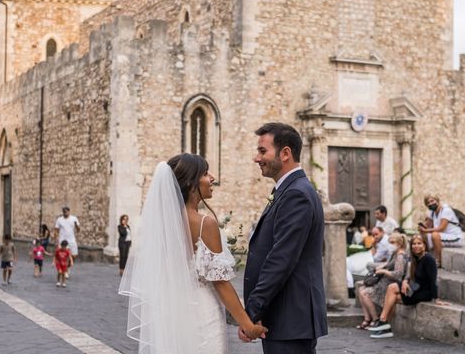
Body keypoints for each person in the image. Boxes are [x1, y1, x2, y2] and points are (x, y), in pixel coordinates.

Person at [119, 155, 266, 353]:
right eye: (205, 173)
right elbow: (220, 282)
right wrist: (248, 325)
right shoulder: (205, 223)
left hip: (173, 313)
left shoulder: (162, 224)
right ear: (190, 182)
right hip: (202, 313)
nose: (212, 177)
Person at [242, 122, 327, 353]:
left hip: (290, 317)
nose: (256, 158)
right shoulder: (290, 190)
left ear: (286, 153)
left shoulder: (296, 194)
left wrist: (251, 312)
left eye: (262, 151)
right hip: (286, 318)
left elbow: (281, 259)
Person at [368, 234, 439, 339]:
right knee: (393, 296)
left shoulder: (429, 259)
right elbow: (410, 274)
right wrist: (405, 281)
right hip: (414, 288)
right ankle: (385, 327)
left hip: (424, 291)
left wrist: (436, 298)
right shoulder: (415, 258)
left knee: (392, 288)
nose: (416, 246)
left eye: (419, 243)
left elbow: (433, 280)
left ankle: (383, 322)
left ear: (424, 245)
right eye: (414, 244)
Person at [356, 232, 407, 330]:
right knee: (361, 289)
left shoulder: (400, 256)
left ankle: (375, 320)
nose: (390, 245)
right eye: (390, 242)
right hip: (385, 282)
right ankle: (367, 319)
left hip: (391, 284)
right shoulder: (395, 254)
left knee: (365, 293)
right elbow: (389, 264)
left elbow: (398, 275)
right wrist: (383, 266)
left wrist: (384, 271)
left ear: (399, 243)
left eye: (392, 242)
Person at [418, 195, 463, 267]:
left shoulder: (446, 210)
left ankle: (438, 261)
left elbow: (442, 228)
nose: (430, 204)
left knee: (434, 235)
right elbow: (427, 226)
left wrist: (426, 230)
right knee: (421, 236)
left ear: (437, 201)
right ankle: (425, 258)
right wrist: (422, 228)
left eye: (432, 201)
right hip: (442, 236)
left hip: (455, 237)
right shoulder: (432, 212)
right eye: (428, 203)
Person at [54, 207, 80, 277]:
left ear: (69, 211)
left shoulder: (74, 218)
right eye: (64, 212)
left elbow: (78, 230)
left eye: (66, 212)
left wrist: (76, 225)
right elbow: (56, 229)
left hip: (71, 240)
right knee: (62, 256)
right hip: (62, 240)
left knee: (74, 255)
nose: (65, 213)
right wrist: (56, 238)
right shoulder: (59, 219)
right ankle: (64, 271)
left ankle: (67, 268)